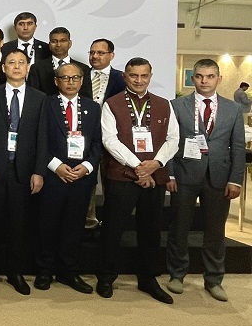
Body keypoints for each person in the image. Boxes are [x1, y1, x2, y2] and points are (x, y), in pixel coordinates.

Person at [96, 57, 179, 304]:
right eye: (134, 75)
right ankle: (106, 276)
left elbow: (173, 139)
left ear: (150, 76)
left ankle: (148, 278)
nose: (139, 80)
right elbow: (109, 140)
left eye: (144, 76)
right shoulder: (112, 104)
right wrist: (139, 167)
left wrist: (156, 164)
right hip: (122, 175)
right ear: (125, 76)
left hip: (155, 175)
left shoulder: (164, 104)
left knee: (151, 230)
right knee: (113, 228)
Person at [166, 59, 245, 302]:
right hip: (184, 174)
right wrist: (169, 174)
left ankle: (213, 279)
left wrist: (236, 180)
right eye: (200, 76)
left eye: (210, 76)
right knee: (179, 227)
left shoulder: (233, 109)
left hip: (219, 177)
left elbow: (238, 147)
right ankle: (177, 275)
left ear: (219, 79)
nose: (204, 81)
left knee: (215, 231)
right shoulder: (176, 106)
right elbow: (169, 142)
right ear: (193, 78)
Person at [0, 49, 47, 296]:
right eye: (11, 62)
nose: (17, 66)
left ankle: (15, 271)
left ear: (28, 67)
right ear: (3, 68)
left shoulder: (40, 98)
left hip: (25, 171)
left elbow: (42, 138)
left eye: (21, 62)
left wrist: (39, 171)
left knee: (19, 223)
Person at [34, 62, 101, 294]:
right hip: (54, 175)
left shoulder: (93, 107)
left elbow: (97, 142)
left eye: (75, 78)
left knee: (74, 226)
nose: (70, 82)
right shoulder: (46, 104)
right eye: (65, 78)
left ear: (82, 81)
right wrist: (56, 166)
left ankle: (69, 271)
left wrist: (87, 166)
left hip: (81, 177)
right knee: (48, 224)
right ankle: (44, 270)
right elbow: (39, 139)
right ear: (56, 81)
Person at [86, 38, 126, 229]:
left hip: (113, 137)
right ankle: (89, 221)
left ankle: (111, 224)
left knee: (112, 182)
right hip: (85, 139)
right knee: (87, 182)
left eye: (100, 53)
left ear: (112, 55)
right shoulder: (80, 75)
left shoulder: (121, 78)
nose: (95, 56)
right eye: (92, 52)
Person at [27, 27, 92, 98]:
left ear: (70, 43)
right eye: (54, 41)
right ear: (49, 45)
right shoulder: (37, 68)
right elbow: (33, 95)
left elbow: (87, 97)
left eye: (63, 41)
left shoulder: (83, 68)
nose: (58, 45)